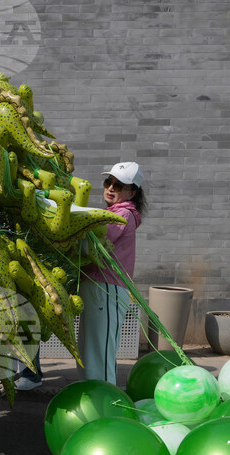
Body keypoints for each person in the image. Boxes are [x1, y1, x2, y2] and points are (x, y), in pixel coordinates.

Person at [78, 161, 144, 386]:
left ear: (132, 192)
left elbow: (94, 241)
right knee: (90, 351)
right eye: (109, 182)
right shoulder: (112, 212)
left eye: (119, 185)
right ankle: (95, 402)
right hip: (98, 288)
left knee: (99, 353)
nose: (111, 188)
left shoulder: (123, 214)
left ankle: (107, 405)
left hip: (106, 289)